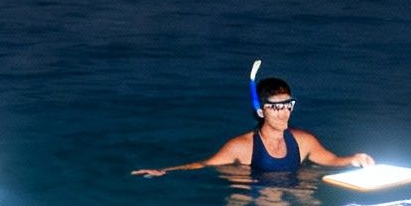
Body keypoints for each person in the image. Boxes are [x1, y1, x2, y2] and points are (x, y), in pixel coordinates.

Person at [132, 75, 374, 177]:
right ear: (261, 111)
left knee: (309, 196)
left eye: (288, 105)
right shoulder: (242, 146)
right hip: (262, 193)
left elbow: (330, 160)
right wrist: (165, 171)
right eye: (276, 106)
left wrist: (355, 158)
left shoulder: (303, 140)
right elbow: (204, 164)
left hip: (297, 188)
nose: (284, 112)